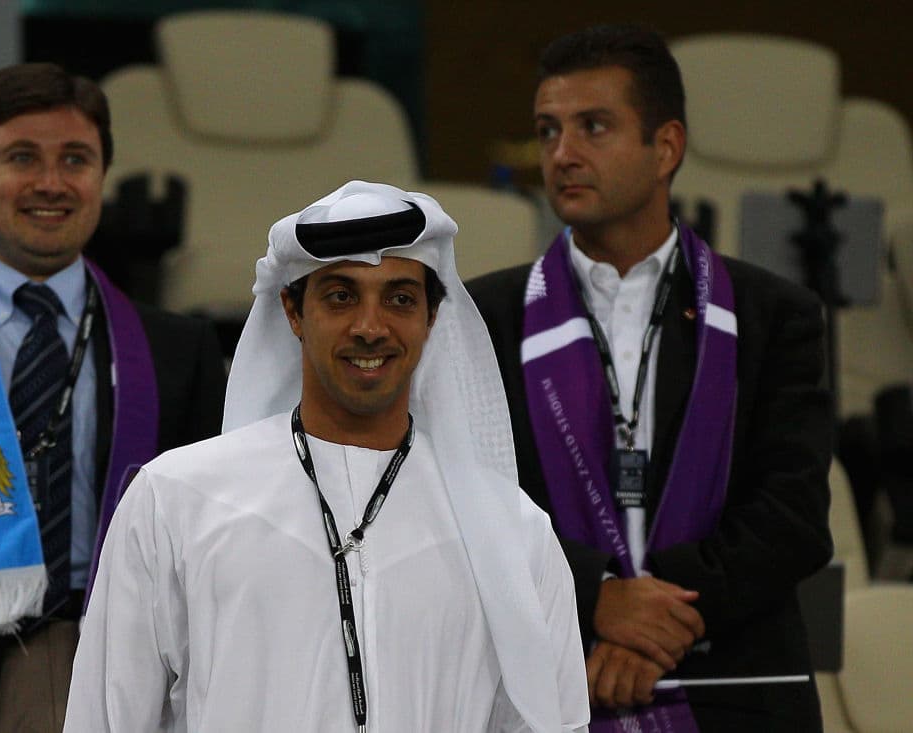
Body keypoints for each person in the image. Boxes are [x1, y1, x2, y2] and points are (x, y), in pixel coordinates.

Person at [63, 180, 591, 732]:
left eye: (400, 299)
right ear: (293, 312)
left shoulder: (511, 533)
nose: (370, 328)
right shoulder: (175, 499)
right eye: (341, 296)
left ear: (432, 317)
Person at [466, 25, 833, 732]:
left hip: (735, 692)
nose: (562, 154)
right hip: (551, 684)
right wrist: (595, 596)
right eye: (548, 131)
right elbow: (470, 503)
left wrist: (648, 623)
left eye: (593, 126)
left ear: (665, 147)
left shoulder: (773, 313)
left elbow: (792, 515)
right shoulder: (480, 318)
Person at [0, 63, 228, 733]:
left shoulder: (177, 351)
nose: (51, 182)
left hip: (127, 672)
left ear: (101, 176)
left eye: (75, 159)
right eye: (22, 158)